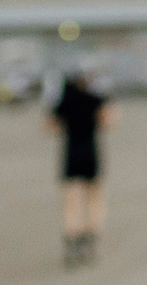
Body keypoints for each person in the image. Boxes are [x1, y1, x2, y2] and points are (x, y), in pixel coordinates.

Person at [47, 72, 111, 267]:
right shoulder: (95, 100)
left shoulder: (63, 102)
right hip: (91, 153)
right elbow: (108, 122)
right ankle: (91, 236)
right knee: (94, 197)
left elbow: (49, 127)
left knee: (71, 200)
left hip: (71, 154)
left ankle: (72, 235)